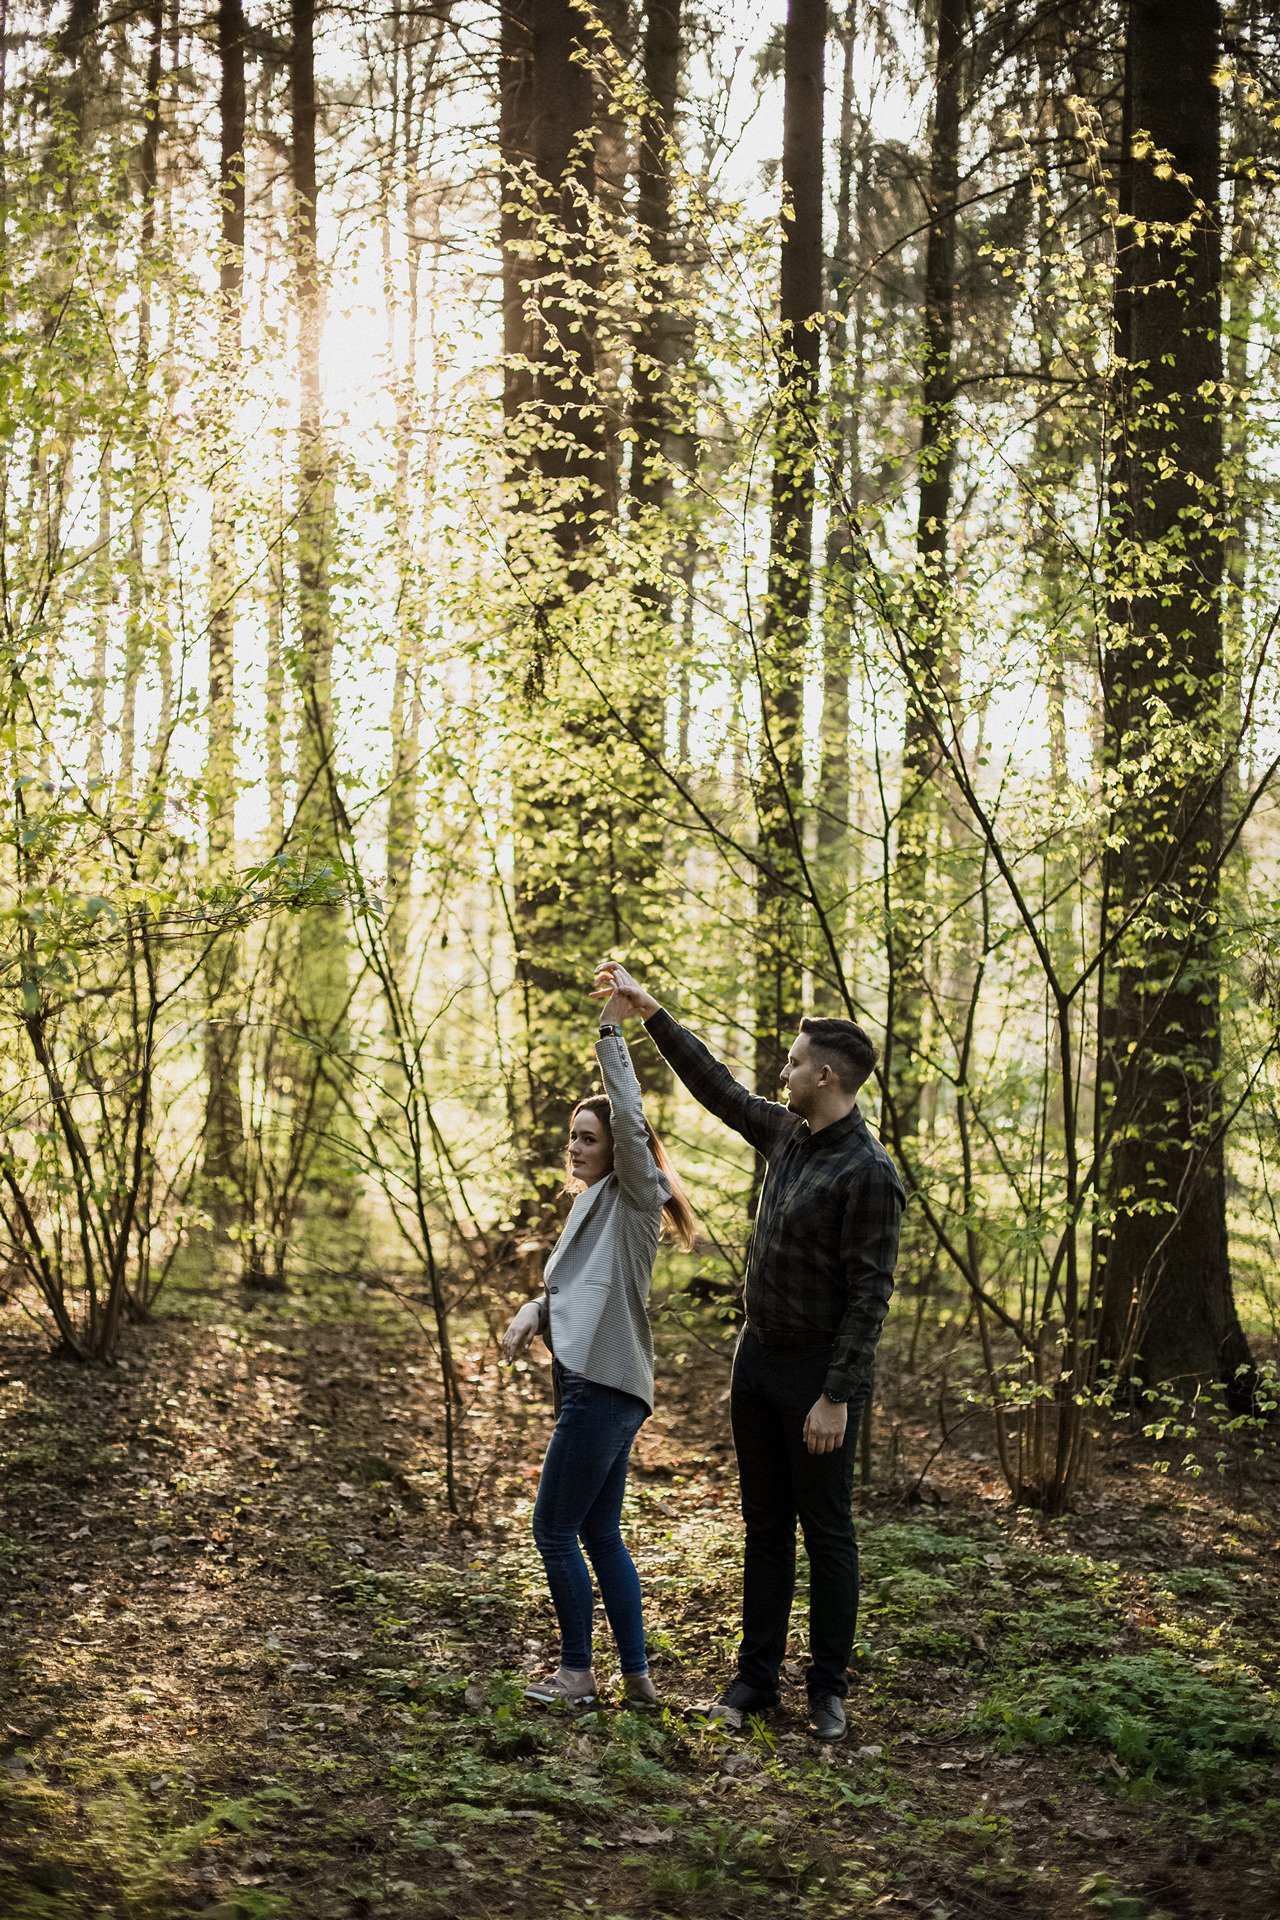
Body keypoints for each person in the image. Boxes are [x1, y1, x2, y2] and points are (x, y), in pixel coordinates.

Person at [590, 960, 903, 1744]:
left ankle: (827, 1688)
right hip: (755, 1360)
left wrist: (836, 1395)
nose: (782, 1072)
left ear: (825, 1075)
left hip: (817, 1376)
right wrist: (652, 1010)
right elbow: (717, 1087)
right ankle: (756, 1678)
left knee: (827, 1531)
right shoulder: (784, 1131)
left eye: (794, 1063)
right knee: (765, 1525)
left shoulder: (869, 1173)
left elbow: (871, 1298)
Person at [502, 984, 696, 1710]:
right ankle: (638, 1679)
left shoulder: (635, 1196)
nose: (574, 1147)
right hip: (595, 1387)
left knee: (552, 1530)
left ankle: (577, 1673)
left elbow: (632, 1116)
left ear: (622, 1149)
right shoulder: (590, 1205)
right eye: (572, 1137)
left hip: (603, 1389)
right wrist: (533, 1309)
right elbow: (575, 1291)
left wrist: (613, 1032)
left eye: (588, 1137)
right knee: (597, 1533)